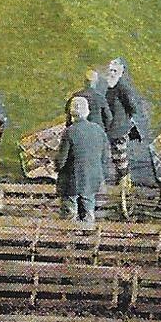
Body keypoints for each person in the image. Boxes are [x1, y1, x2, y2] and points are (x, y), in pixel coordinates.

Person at [55, 96, 109, 226]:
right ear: (87, 112)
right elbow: (105, 157)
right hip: (92, 180)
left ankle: (69, 237)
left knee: (69, 213)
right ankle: (87, 234)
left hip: (72, 182)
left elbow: (60, 162)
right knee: (88, 210)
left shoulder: (69, 132)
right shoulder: (98, 130)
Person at [102, 58, 144, 184]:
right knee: (117, 158)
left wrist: (125, 117)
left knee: (121, 159)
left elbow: (134, 106)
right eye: (110, 70)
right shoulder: (111, 87)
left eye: (115, 71)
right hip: (113, 128)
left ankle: (125, 186)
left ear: (121, 73)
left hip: (119, 129)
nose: (112, 73)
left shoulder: (122, 87)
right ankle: (122, 184)